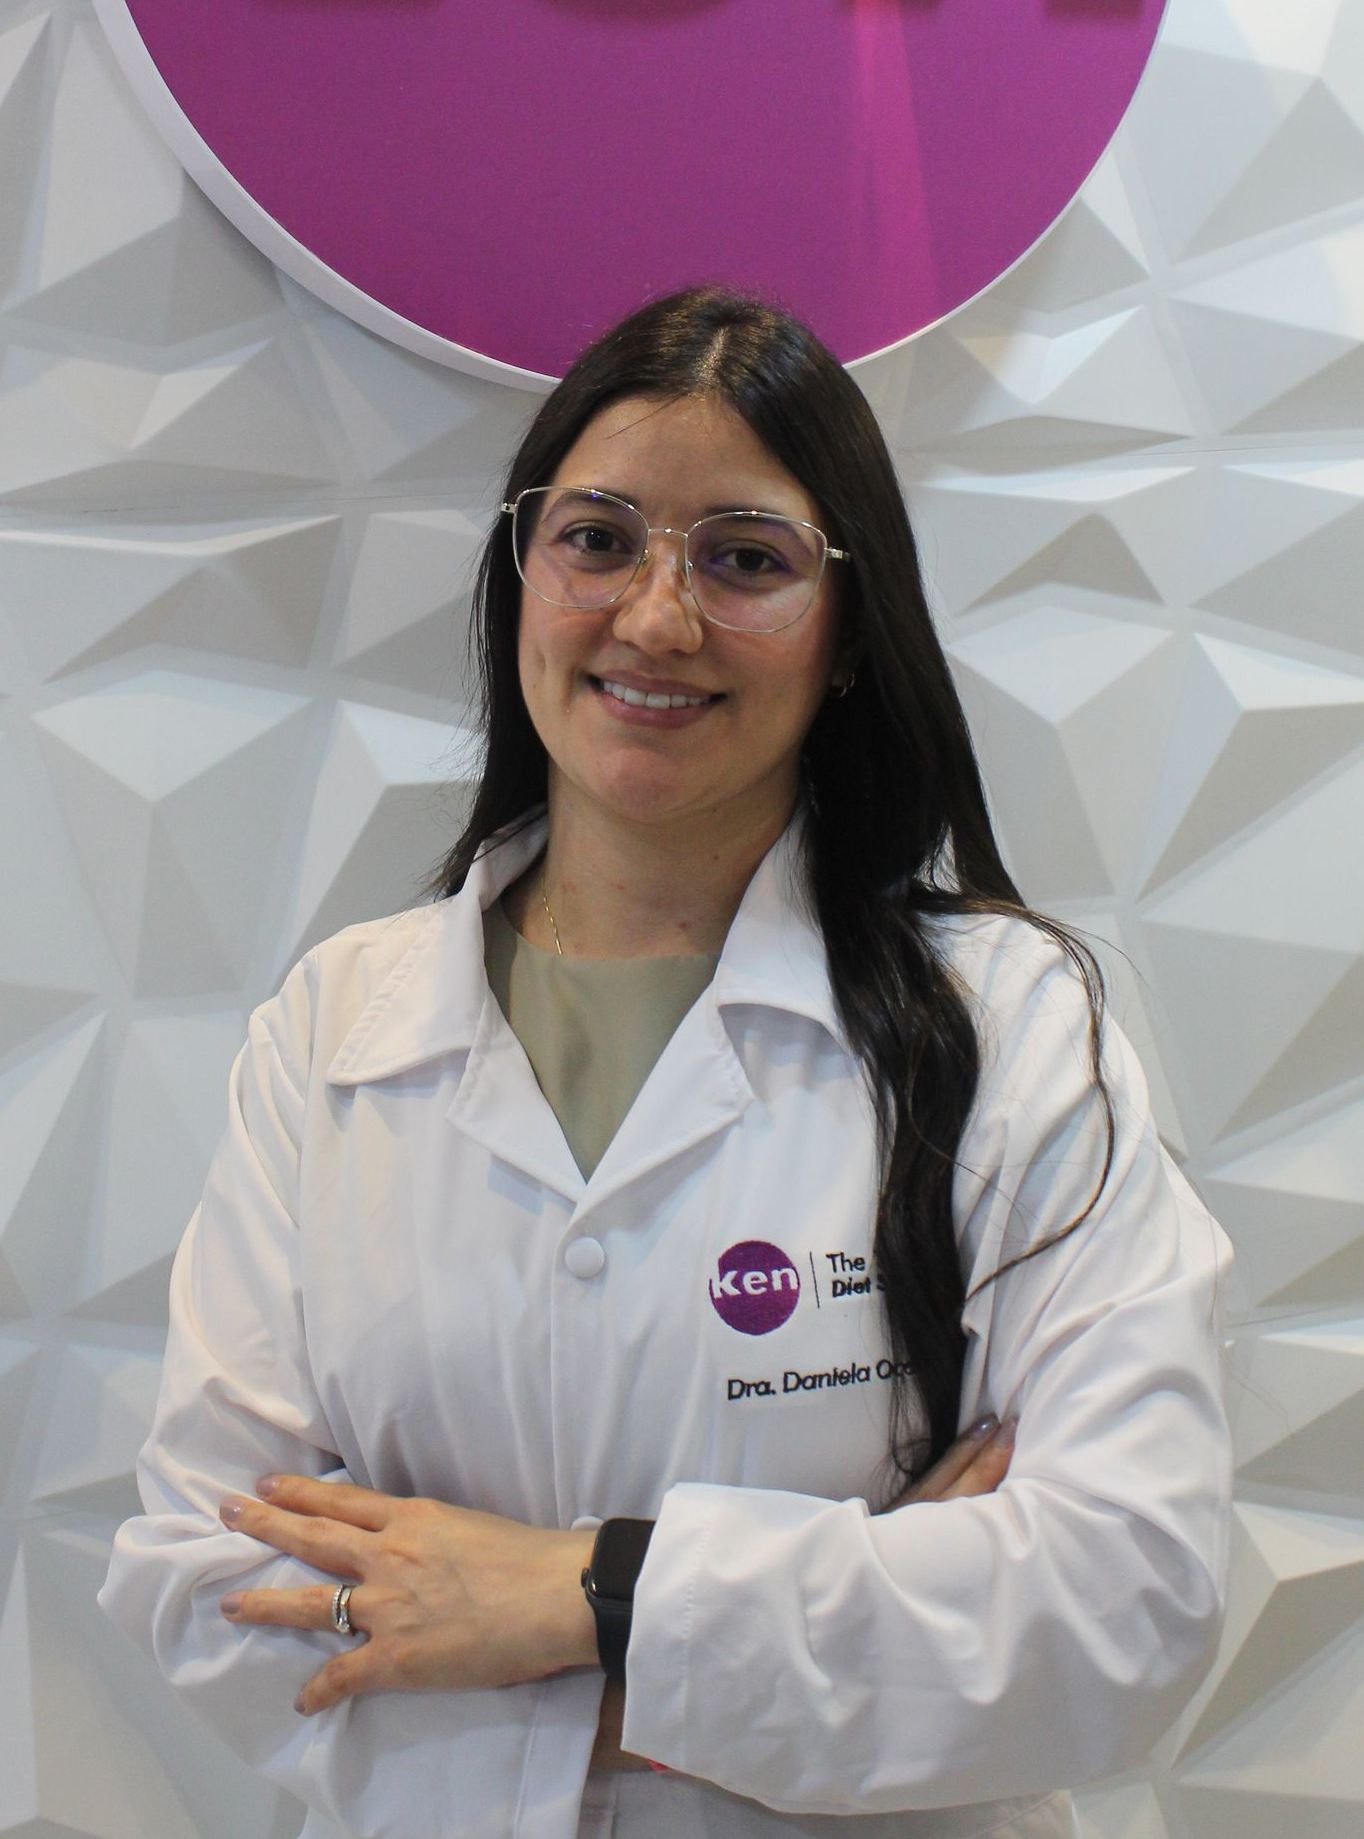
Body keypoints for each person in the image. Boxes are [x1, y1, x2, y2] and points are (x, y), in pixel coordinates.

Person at [100, 287, 1232, 1839]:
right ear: (521, 574)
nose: (655, 618)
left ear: (849, 632)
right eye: (598, 538)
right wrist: (793, 1648)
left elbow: (1123, 1598)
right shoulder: (334, 1029)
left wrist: (578, 1594)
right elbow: (212, 1579)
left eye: (746, 559)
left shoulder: (1009, 1027)